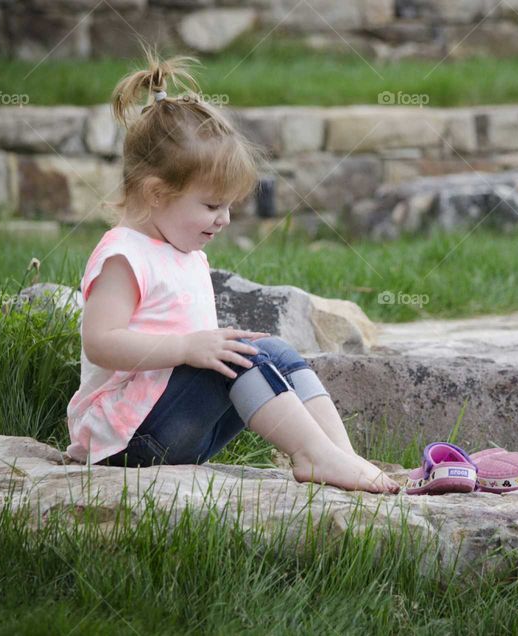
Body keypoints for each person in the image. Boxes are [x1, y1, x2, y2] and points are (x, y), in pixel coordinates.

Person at [64, 47, 399, 495]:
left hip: (170, 426)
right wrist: (188, 348)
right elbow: (101, 342)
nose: (223, 220)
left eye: (228, 206)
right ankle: (311, 455)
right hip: (124, 439)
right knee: (231, 364)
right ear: (157, 193)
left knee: (272, 350)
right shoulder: (125, 255)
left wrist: (207, 345)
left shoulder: (182, 250)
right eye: (210, 206)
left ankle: (338, 455)